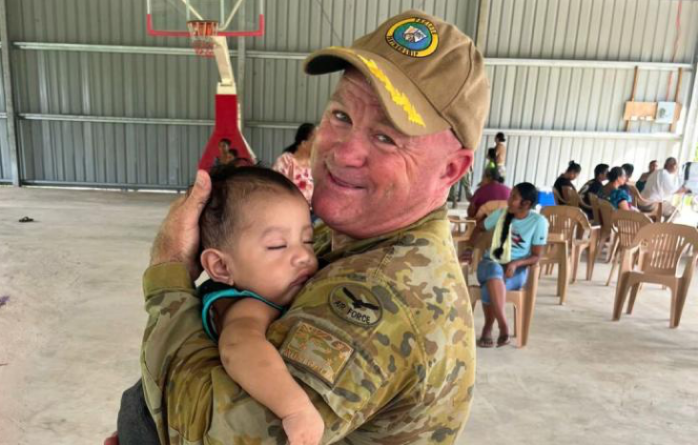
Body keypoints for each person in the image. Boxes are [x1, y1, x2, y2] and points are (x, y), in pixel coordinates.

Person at [110, 9, 490, 445]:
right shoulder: (340, 232)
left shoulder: (381, 294)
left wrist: (168, 272)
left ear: (451, 170)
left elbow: (203, 433)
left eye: (386, 138)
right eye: (341, 116)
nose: (344, 153)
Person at [196, 165, 323, 445]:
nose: (302, 255)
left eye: (308, 239)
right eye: (278, 245)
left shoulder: (260, 286)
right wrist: (295, 410)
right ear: (221, 266)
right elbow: (238, 348)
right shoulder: (246, 307)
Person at [476, 183, 548, 348]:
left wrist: (516, 263)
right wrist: (468, 248)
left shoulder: (538, 222)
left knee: (490, 286)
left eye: (514, 197)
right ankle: (503, 326)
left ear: (526, 204)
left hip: (516, 270)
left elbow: (536, 256)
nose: (508, 200)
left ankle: (488, 327)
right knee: (494, 270)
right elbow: (479, 228)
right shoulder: (501, 214)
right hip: (490, 263)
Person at [273, 123, 316, 204]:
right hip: (291, 209)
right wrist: (289, 186)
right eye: (315, 141)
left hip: (312, 211)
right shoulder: (285, 161)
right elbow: (274, 190)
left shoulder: (316, 163)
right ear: (304, 144)